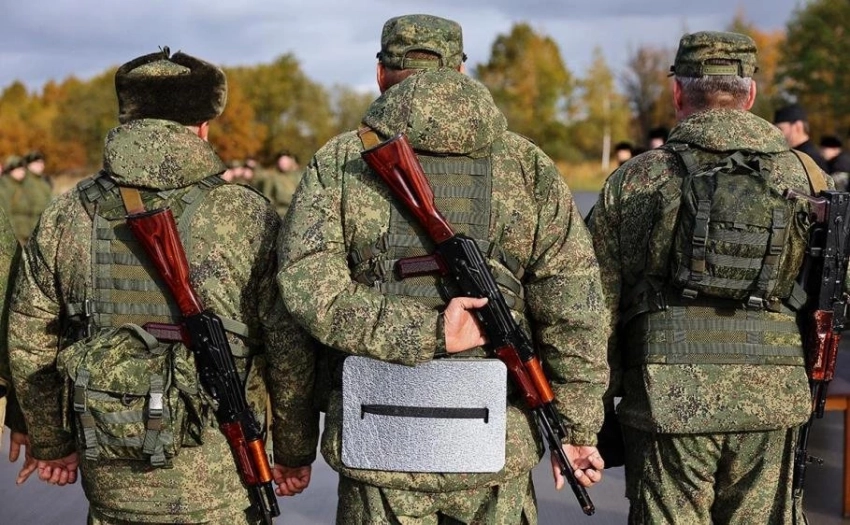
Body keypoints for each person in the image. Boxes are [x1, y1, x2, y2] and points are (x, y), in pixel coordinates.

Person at [277, 13, 608, 525]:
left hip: (378, 440)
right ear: (460, 69)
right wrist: (578, 429)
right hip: (495, 447)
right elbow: (575, 307)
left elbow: (306, 292)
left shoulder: (340, 162)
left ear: (381, 73)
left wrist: (292, 443)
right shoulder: (527, 165)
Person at [7, 47, 317, 524]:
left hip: (108, 470)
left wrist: (52, 443)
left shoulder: (66, 214)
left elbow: (30, 340)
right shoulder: (248, 214)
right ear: (203, 127)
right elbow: (288, 347)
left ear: (127, 118)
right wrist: (294, 451)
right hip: (221, 476)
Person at [587, 31, 830, 524]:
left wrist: (588, 415)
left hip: (665, 397)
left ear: (678, 92)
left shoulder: (637, 179)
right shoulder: (808, 179)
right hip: (772, 398)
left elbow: (593, 305)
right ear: (751, 94)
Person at [0, 153, 53, 244]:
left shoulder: (24, 185)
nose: (22, 171)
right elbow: (7, 214)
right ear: (10, 170)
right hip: (16, 234)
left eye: (22, 168)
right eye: (18, 169)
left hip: (28, 231)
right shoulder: (5, 187)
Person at [774, 103, 829, 172]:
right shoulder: (799, 153)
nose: (777, 134)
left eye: (780, 129)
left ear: (798, 126)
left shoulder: (810, 158)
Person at [254, 150, 303, 218]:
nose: (283, 164)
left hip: (297, 211)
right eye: (282, 162)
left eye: (286, 162)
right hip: (280, 212)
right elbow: (267, 196)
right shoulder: (272, 178)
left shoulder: (298, 177)